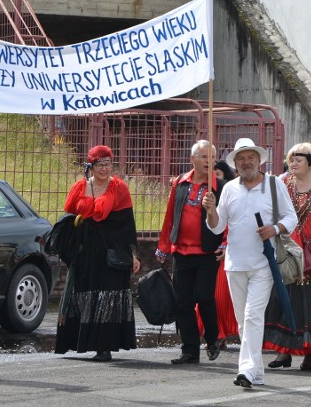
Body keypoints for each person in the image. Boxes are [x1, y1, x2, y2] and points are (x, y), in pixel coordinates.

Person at [203, 138, 297, 388]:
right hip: (235, 262)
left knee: (253, 315)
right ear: (235, 164)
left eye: (250, 157)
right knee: (243, 320)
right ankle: (256, 372)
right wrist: (210, 211)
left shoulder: (274, 184)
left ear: (258, 160)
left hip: (264, 263)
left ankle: (244, 370)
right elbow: (217, 227)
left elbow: (291, 217)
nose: (246, 162)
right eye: (241, 159)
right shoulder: (229, 189)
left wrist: (274, 228)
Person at [55, 145, 141, 361]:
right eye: (99, 164)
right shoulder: (79, 187)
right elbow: (68, 217)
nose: (104, 168)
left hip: (112, 251)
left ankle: (105, 347)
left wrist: (133, 254)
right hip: (86, 252)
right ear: (90, 167)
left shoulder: (120, 188)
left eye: (108, 164)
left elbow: (127, 225)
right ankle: (81, 342)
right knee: (86, 294)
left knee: (107, 296)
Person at [264, 143, 311, 371]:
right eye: (291, 160)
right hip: (287, 250)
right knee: (284, 299)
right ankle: (283, 352)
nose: (293, 164)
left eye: (298, 159)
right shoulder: (284, 184)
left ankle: (309, 354)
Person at [156, 140, 225, 364]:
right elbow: (170, 216)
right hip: (181, 252)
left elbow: (229, 219)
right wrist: (164, 245)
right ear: (192, 159)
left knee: (204, 297)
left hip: (207, 252)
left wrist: (224, 243)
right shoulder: (180, 183)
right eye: (204, 156)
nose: (209, 161)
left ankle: (213, 338)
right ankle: (190, 351)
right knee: (183, 302)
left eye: (212, 157)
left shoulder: (220, 187)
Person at [195, 160, 240, 348]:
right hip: (204, 251)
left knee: (219, 298)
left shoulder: (230, 193)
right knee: (203, 297)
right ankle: (210, 333)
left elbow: (231, 225)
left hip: (224, 252)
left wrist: (225, 245)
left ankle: (221, 334)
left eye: (218, 174)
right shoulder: (199, 192)